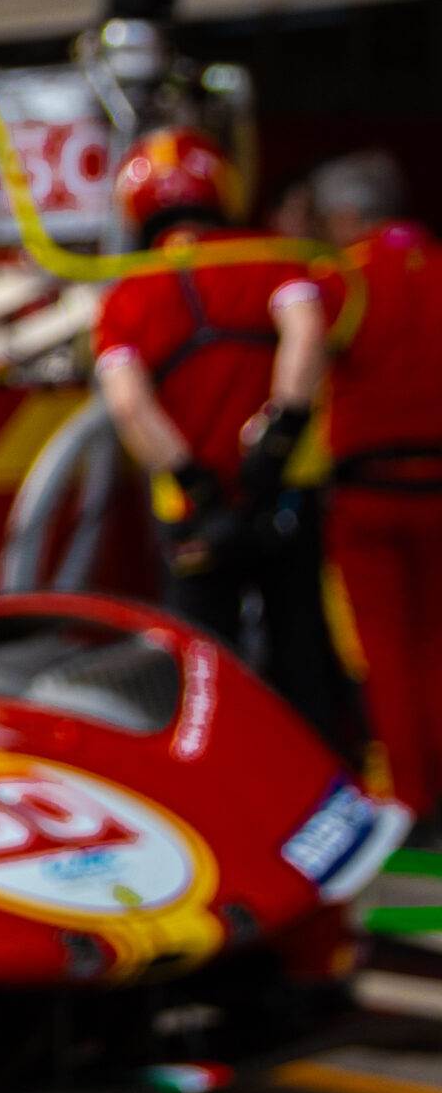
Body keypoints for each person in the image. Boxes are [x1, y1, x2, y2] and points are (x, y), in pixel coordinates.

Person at [91, 128, 347, 737]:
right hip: (286, 498)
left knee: (204, 676)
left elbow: (128, 402)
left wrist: (191, 478)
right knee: (304, 658)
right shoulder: (273, 259)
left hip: (193, 516)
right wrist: (281, 433)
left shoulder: (126, 295)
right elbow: (306, 333)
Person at [300, 149, 442, 814]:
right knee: (435, 637)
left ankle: (407, 800)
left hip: (369, 492)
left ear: (347, 214)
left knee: (382, 647)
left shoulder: (340, 280)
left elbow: (303, 365)